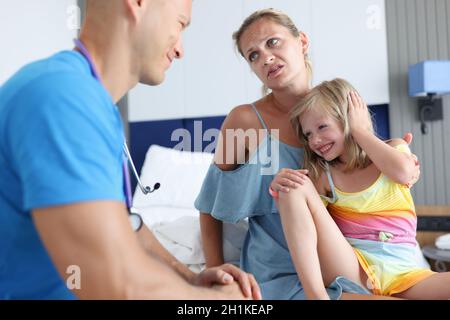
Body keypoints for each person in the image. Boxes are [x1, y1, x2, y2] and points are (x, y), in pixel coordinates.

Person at [0, 0, 261, 300]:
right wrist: (224, 302)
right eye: (179, 23)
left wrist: (191, 278)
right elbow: (117, 283)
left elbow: (125, 222)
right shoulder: (64, 98)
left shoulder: (93, 104)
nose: (180, 50)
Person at [196, 8, 416, 300]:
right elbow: (210, 206)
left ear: (302, 41)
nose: (266, 58)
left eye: (272, 42)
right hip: (280, 271)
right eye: (253, 55)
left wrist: (398, 151)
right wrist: (217, 274)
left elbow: (366, 167)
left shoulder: (338, 106)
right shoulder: (245, 121)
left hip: (349, 264)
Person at [271, 78, 450, 299]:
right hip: (353, 269)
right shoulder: (324, 176)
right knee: (294, 185)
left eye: (322, 127)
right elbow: (307, 225)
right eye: (308, 134)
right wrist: (282, 193)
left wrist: (359, 130)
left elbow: (403, 172)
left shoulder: (393, 148)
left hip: (406, 273)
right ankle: (316, 295)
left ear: (348, 119)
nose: (315, 140)